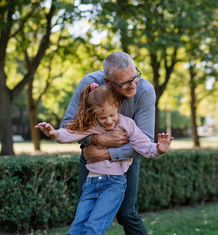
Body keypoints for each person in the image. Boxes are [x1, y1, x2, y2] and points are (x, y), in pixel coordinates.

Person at [36, 84, 173, 234]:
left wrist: (159, 149)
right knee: (77, 227)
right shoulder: (90, 124)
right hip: (91, 183)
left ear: (117, 106)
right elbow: (68, 134)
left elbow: (144, 146)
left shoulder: (128, 125)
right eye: (102, 117)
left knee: (94, 227)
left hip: (113, 184)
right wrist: (53, 133)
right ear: (94, 113)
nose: (108, 121)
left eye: (111, 115)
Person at [61, 51, 156, 235]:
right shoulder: (89, 83)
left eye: (135, 76)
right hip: (92, 158)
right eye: (125, 83)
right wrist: (96, 139)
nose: (133, 84)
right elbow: (67, 125)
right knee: (85, 214)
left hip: (128, 156)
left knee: (127, 213)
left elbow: (146, 140)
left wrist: (107, 153)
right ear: (108, 81)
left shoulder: (145, 91)